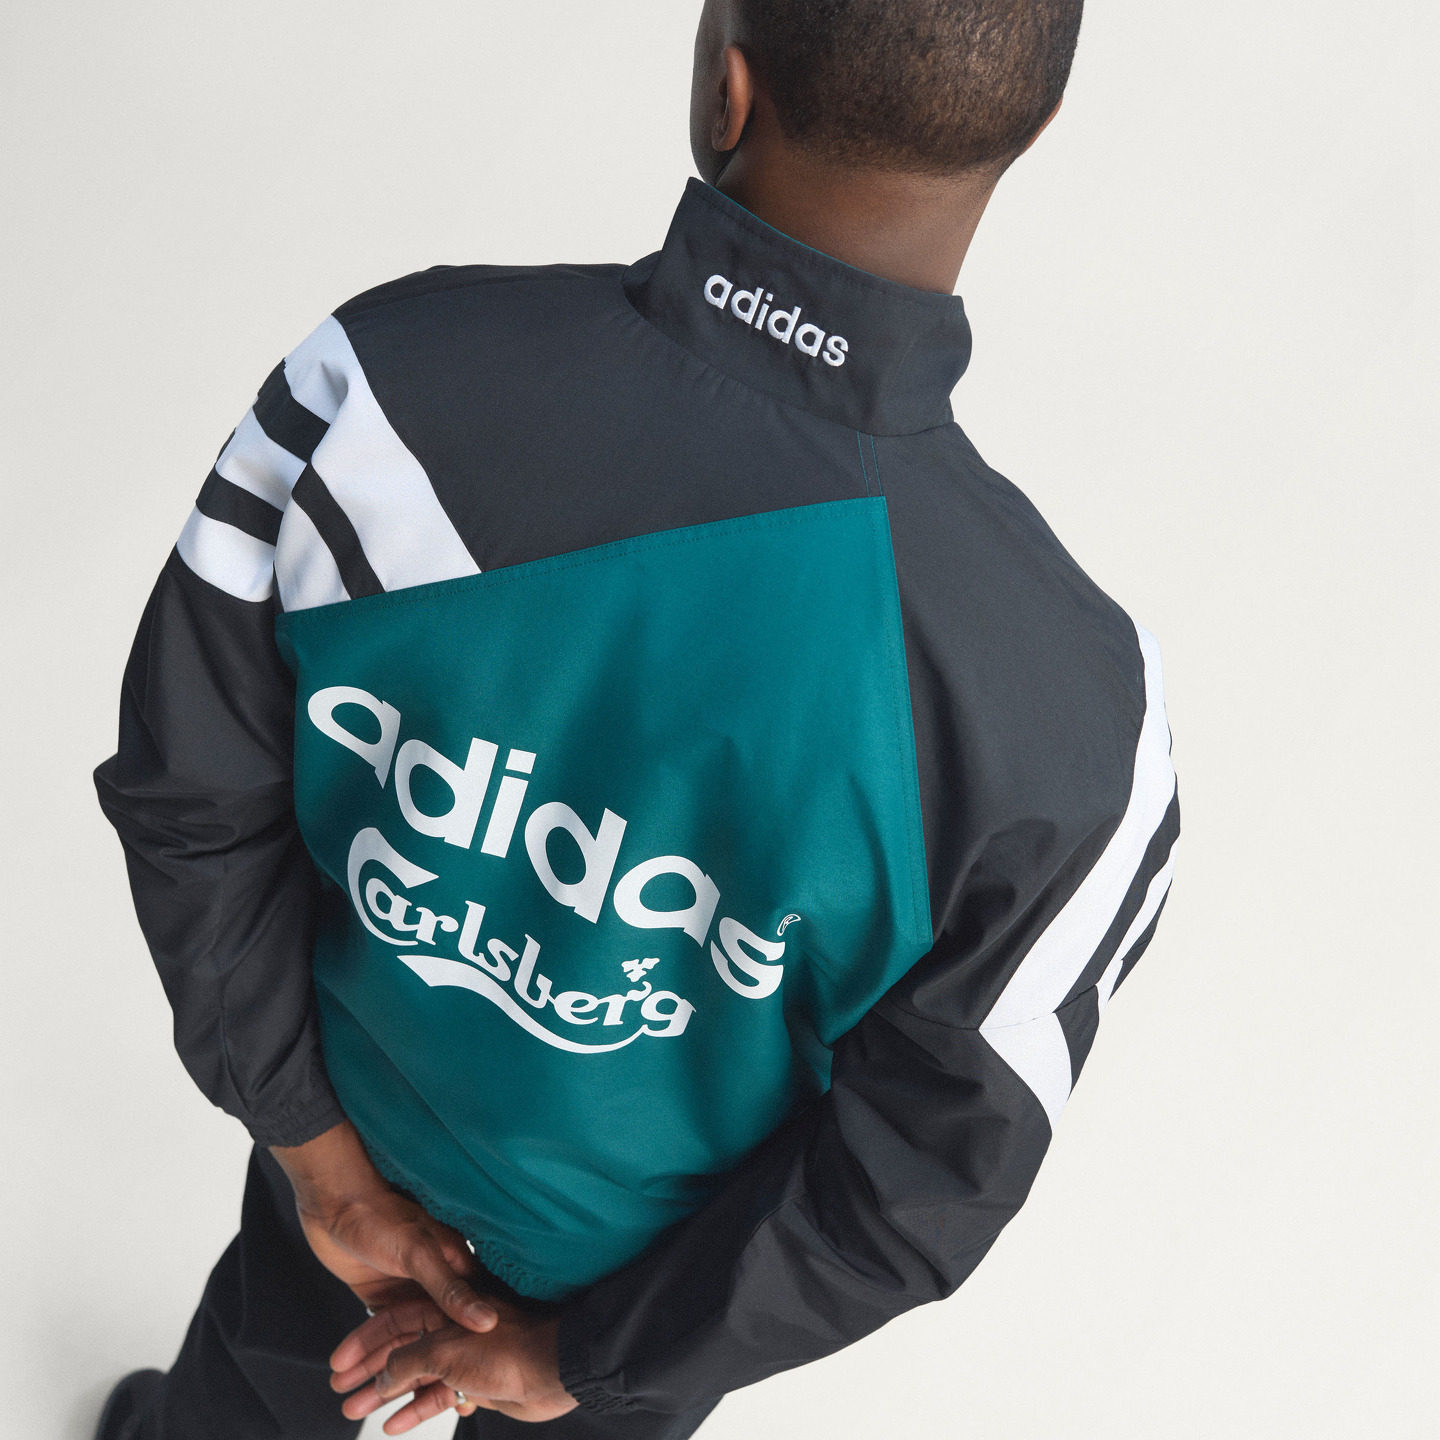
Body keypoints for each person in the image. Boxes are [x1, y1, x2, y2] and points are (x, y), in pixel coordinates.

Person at [92, 0, 1181, 1435]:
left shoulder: (388, 389)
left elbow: (192, 792)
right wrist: (590, 1357)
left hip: (349, 1159)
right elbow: (926, 1170)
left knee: (248, 1395)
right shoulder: (1078, 719)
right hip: (643, 1295)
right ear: (1032, 133)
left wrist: (318, 1158)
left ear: (727, 84)